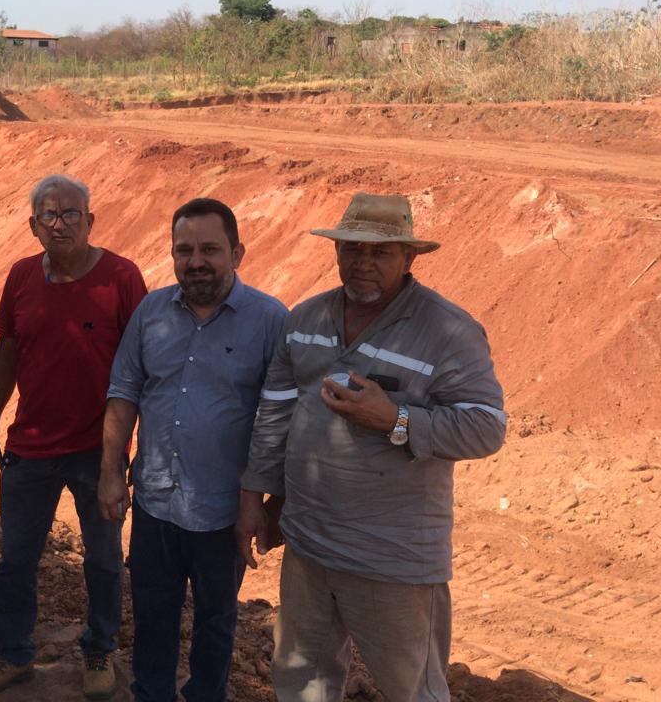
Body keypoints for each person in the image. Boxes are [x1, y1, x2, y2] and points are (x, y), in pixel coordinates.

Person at [237, 193, 507, 702]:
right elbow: (275, 411)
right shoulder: (306, 321)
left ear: (409, 258)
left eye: (380, 253)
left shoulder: (447, 331)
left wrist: (396, 419)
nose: (362, 264)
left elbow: (486, 426)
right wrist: (256, 496)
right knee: (302, 683)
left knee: (412, 690)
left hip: (393, 559)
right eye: (352, 249)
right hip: (309, 546)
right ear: (336, 253)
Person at [98, 198, 289, 702]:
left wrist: (268, 502)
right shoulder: (151, 311)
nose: (196, 261)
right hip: (156, 503)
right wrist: (111, 471)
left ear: (238, 253)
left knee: (217, 618)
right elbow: (124, 391)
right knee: (152, 611)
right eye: (184, 250)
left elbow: (282, 420)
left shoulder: (270, 321)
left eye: (210, 249)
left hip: (224, 510)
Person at [0, 174, 148, 700]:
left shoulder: (121, 278)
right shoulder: (23, 276)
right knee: (16, 560)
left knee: (103, 559)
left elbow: (144, 367)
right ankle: (13, 655)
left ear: (91, 221)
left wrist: (129, 455)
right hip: (30, 445)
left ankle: (99, 651)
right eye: (49, 215)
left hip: (99, 452)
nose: (61, 223)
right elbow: (6, 357)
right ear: (33, 226)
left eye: (72, 214)